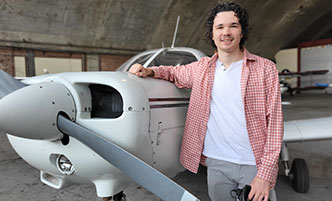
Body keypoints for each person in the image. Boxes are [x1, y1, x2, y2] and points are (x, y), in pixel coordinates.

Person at [129, 2, 283, 201]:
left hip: (253, 162)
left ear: (242, 32)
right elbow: (174, 72)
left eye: (233, 26)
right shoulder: (201, 68)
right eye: (219, 27)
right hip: (217, 162)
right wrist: (150, 71)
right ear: (212, 34)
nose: (226, 32)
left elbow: (275, 126)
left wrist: (265, 174)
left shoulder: (265, 69)